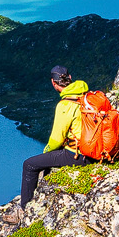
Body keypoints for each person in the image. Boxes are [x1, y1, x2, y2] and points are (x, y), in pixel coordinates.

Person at [18, 65, 93, 205]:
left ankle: (24, 209)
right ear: (70, 78)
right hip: (98, 149)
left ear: (53, 83)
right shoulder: (87, 95)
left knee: (29, 165)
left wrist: (46, 151)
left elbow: (56, 140)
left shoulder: (65, 105)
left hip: (80, 155)